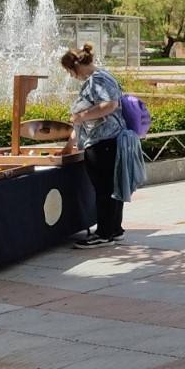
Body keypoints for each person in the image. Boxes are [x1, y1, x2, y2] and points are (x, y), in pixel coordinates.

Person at [60, 44, 127, 247]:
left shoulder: (97, 79)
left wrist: (81, 116)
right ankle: (114, 229)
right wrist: (70, 143)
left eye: (70, 71)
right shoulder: (102, 76)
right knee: (111, 187)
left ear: (76, 67)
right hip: (107, 140)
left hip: (103, 141)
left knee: (103, 188)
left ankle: (105, 233)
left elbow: (109, 105)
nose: (71, 76)